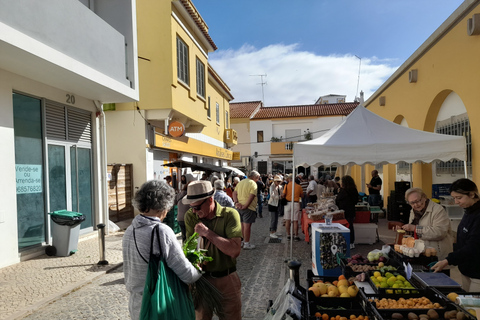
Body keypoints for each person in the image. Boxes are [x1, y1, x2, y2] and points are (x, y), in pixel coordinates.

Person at [123, 180, 201, 320]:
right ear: (164, 205)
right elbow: (186, 273)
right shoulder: (161, 231)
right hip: (158, 302)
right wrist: (199, 270)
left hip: (136, 303)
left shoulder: (130, 230)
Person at [183, 181, 242, 320]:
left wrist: (208, 233)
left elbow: (234, 250)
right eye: (191, 207)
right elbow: (191, 250)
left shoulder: (230, 215)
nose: (194, 211)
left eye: (197, 207)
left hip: (227, 278)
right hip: (202, 279)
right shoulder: (191, 216)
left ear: (210, 200)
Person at [431, 179, 480, 291]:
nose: (456, 202)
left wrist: (448, 260)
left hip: (477, 273)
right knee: (466, 305)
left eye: (459, 198)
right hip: (466, 269)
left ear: (472, 194)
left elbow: (473, 246)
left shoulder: (477, 216)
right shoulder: (468, 211)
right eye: (454, 198)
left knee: (474, 306)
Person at [397, 188, 453, 260]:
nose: (416, 205)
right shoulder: (413, 211)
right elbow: (414, 232)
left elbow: (440, 232)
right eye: (412, 203)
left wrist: (414, 228)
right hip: (421, 253)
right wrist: (405, 230)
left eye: (418, 201)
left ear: (424, 198)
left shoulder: (438, 210)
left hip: (437, 255)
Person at [233, 170, 260, 250]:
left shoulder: (241, 182)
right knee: (247, 226)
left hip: (239, 207)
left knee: (241, 225)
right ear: (254, 177)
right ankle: (246, 243)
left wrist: (236, 202)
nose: (257, 180)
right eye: (257, 178)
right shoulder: (253, 183)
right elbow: (251, 196)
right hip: (248, 208)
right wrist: (246, 205)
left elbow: (234, 193)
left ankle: (241, 242)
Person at [336, 175, 358, 249]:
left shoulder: (343, 191)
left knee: (343, 226)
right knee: (350, 226)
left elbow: (338, 199)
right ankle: (351, 242)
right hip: (351, 210)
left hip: (343, 211)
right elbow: (356, 200)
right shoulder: (354, 190)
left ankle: (344, 241)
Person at [282, 174, 304, 241]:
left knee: (287, 220)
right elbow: (302, 195)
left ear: (289, 179)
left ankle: (288, 235)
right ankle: (296, 236)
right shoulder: (299, 186)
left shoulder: (286, 185)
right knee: (295, 221)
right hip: (296, 204)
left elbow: (283, 195)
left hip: (288, 204)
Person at [176, 173, 196, 242]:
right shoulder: (191, 195)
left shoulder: (180, 194)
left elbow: (175, 202)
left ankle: (184, 248)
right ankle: (187, 249)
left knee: (184, 235)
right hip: (188, 218)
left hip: (179, 218)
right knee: (190, 236)